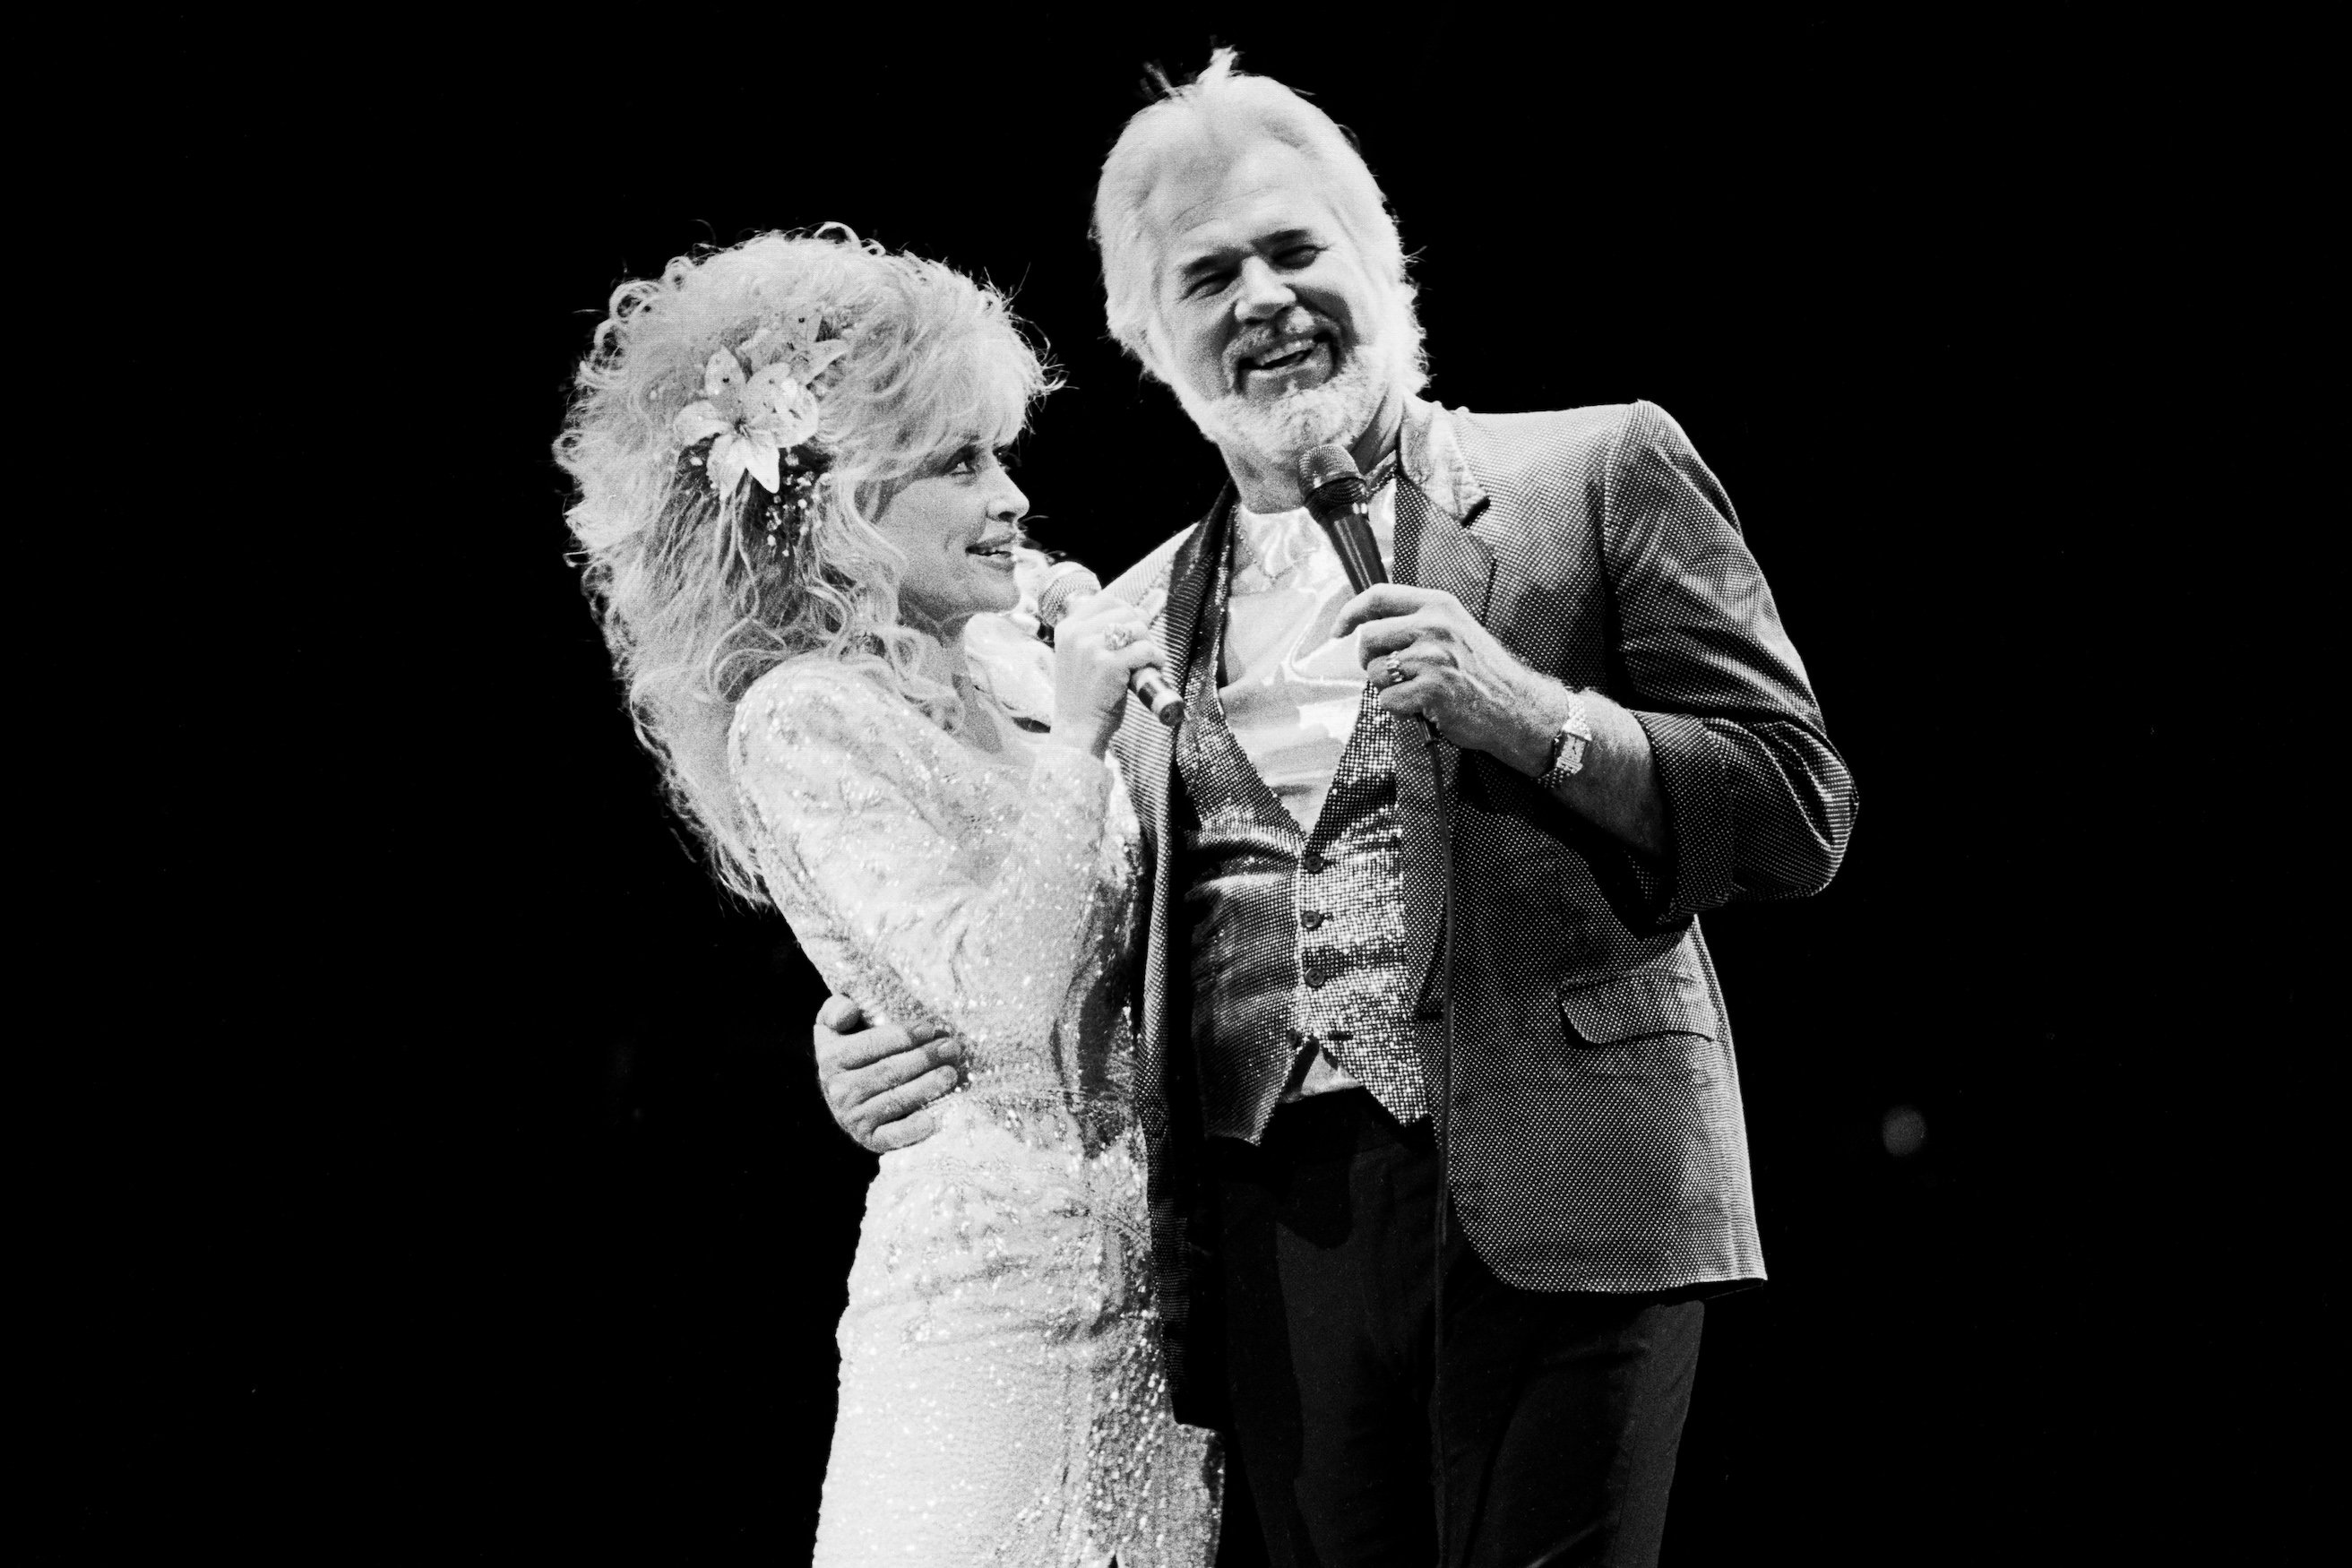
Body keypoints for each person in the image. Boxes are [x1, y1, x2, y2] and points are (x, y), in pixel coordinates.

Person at [816, 51, 1859, 1568]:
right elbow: (1045, 904)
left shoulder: (1592, 469)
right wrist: (881, 1030)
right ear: (1146, 335)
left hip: (1568, 1192)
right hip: (1265, 1227)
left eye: (1294, 249)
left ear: (1379, 261)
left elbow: (1796, 806)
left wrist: (1540, 718)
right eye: (1208, 276)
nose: (1263, 299)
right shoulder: (1127, 615)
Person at [557, 229, 1220, 1567]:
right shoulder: (803, 717)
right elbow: (1001, 997)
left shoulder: (1018, 661)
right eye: (959, 463)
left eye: (1000, 454)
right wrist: (1082, 743)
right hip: (993, 1306)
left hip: (1155, 1294)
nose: (1013, 495)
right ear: (838, 502)